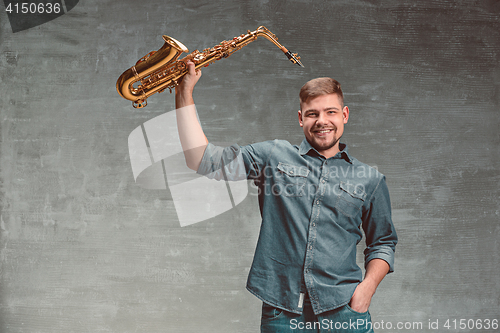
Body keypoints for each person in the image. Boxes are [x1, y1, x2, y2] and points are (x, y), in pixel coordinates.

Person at [175, 61, 398, 333]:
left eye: (331, 112)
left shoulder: (369, 179)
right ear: (301, 118)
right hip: (283, 313)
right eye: (312, 113)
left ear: (345, 115)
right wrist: (184, 92)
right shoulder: (273, 156)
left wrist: (367, 290)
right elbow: (202, 160)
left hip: (345, 312)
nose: (322, 121)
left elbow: (383, 242)